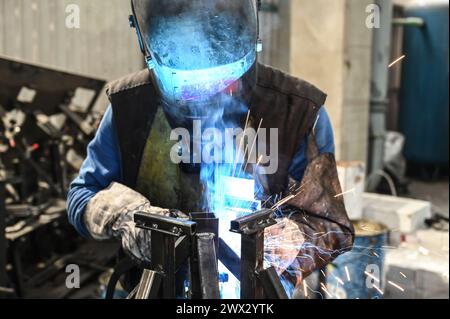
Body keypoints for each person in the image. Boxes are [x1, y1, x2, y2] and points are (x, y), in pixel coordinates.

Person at [67, 0, 354, 292]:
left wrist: (295, 236)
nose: (208, 95)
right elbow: (82, 195)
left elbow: (332, 225)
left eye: (225, 82)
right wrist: (123, 216)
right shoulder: (130, 106)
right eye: (189, 85)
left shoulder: (297, 111)